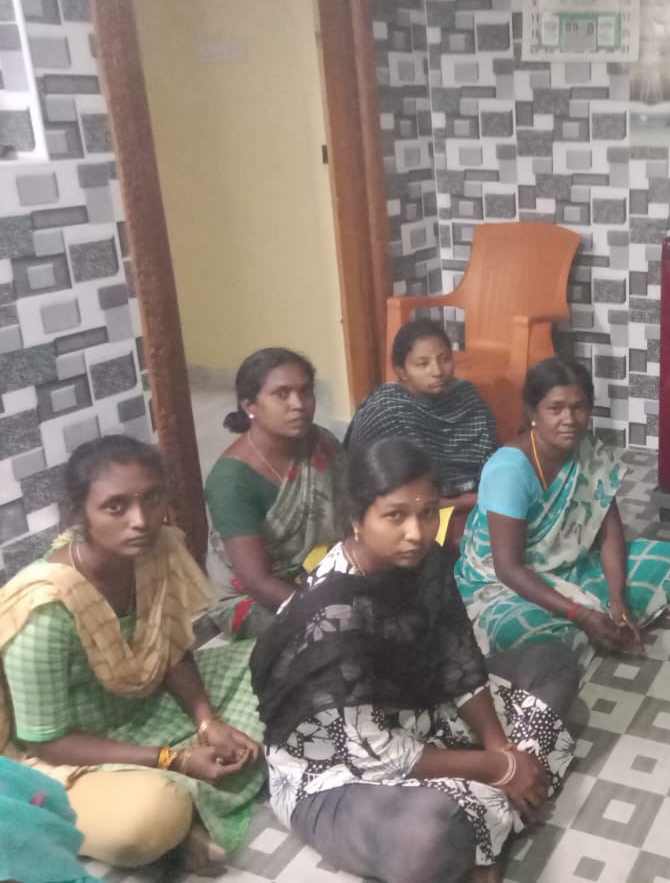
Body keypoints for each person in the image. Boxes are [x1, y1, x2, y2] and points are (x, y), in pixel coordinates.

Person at [251, 437, 577, 883]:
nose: (417, 533)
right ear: (356, 519)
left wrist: (499, 748)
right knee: (427, 834)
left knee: (553, 663)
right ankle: (496, 805)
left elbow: (459, 660)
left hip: (424, 716)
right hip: (338, 772)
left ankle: (487, 817)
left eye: (428, 513)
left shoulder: (425, 561)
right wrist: (500, 767)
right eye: (395, 516)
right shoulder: (333, 612)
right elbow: (374, 753)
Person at [0, 437, 263, 873]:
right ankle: (179, 819)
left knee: (279, 669)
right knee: (144, 820)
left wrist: (207, 721)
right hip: (74, 751)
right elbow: (47, 742)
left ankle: (191, 813)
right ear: (79, 512)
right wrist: (174, 759)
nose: (141, 521)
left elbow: (170, 647)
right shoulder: (45, 608)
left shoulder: (158, 553)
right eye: (115, 506)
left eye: (152, 498)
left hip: (148, 707)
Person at [455, 357, 670, 668]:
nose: (569, 419)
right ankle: (588, 627)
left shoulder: (590, 452)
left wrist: (617, 600)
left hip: (572, 567)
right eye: (555, 409)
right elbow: (508, 568)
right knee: (533, 638)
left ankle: (600, 624)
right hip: (505, 585)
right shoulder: (509, 470)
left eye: (579, 407)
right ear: (532, 413)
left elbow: (610, 534)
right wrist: (579, 614)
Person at [203, 347, 346, 638]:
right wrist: (319, 608)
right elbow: (256, 581)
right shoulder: (232, 480)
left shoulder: (321, 443)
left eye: (305, 391)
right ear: (250, 405)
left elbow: (355, 514)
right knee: (344, 624)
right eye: (282, 394)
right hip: (256, 600)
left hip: (323, 573)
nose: (298, 404)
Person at [344, 318, 497, 516]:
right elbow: (380, 491)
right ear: (401, 371)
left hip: (476, 505)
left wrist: (485, 496)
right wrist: (474, 500)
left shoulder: (466, 396)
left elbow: (494, 463)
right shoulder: (386, 410)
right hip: (410, 514)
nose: (437, 371)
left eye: (445, 359)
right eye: (423, 364)